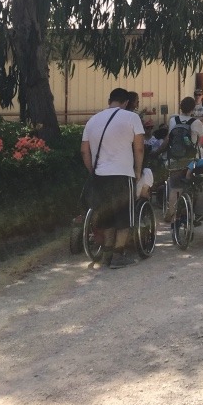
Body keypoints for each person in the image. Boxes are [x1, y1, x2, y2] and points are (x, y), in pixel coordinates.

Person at [81, 87, 146, 269]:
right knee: (124, 217)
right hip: (122, 174)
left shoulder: (92, 120)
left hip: (100, 176)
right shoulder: (131, 118)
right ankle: (118, 255)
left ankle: (107, 254)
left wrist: (93, 171)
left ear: (109, 101)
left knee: (107, 217)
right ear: (126, 102)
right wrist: (138, 170)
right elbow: (139, 148)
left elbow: (84, 151)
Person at [163, 96, 203, 221]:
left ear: (180, 107)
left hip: (175, 159)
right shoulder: (196, 123)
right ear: (193, 108)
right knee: (193, 187)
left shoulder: (173, 120)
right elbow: (199, 144)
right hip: (191, 161)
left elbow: (169, 138)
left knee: (175, 188)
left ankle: (172, 216)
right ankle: (191, 214)